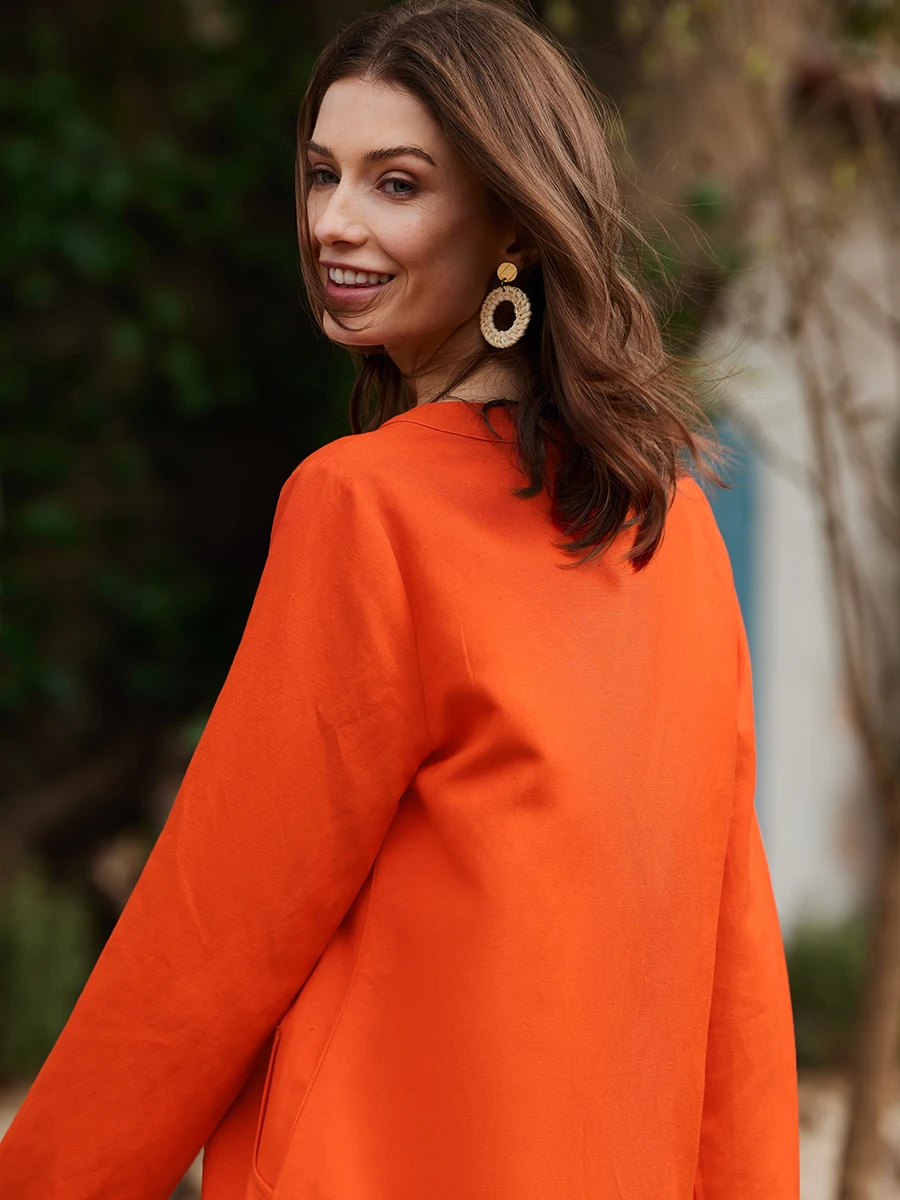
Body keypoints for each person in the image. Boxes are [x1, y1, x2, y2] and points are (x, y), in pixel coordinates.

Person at [0, 1, 799, 1197]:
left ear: (513, 220)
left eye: (397, 183)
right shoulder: (671, 525)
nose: (333, 221)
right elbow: (733, 969)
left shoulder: (362, 505)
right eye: (323, 173)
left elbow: (215, 937)